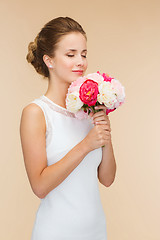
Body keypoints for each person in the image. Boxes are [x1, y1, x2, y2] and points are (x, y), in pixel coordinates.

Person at [20, 16, 116, 240]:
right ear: (49, 60)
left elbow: (108, 178)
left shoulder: (90, 110)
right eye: (71, 54)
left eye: (83, 54)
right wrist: (86, 145)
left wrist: (105, 133)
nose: (80, 61)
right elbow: (40, 186)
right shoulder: (36, 113)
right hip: (55, 232)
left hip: (96, 231)